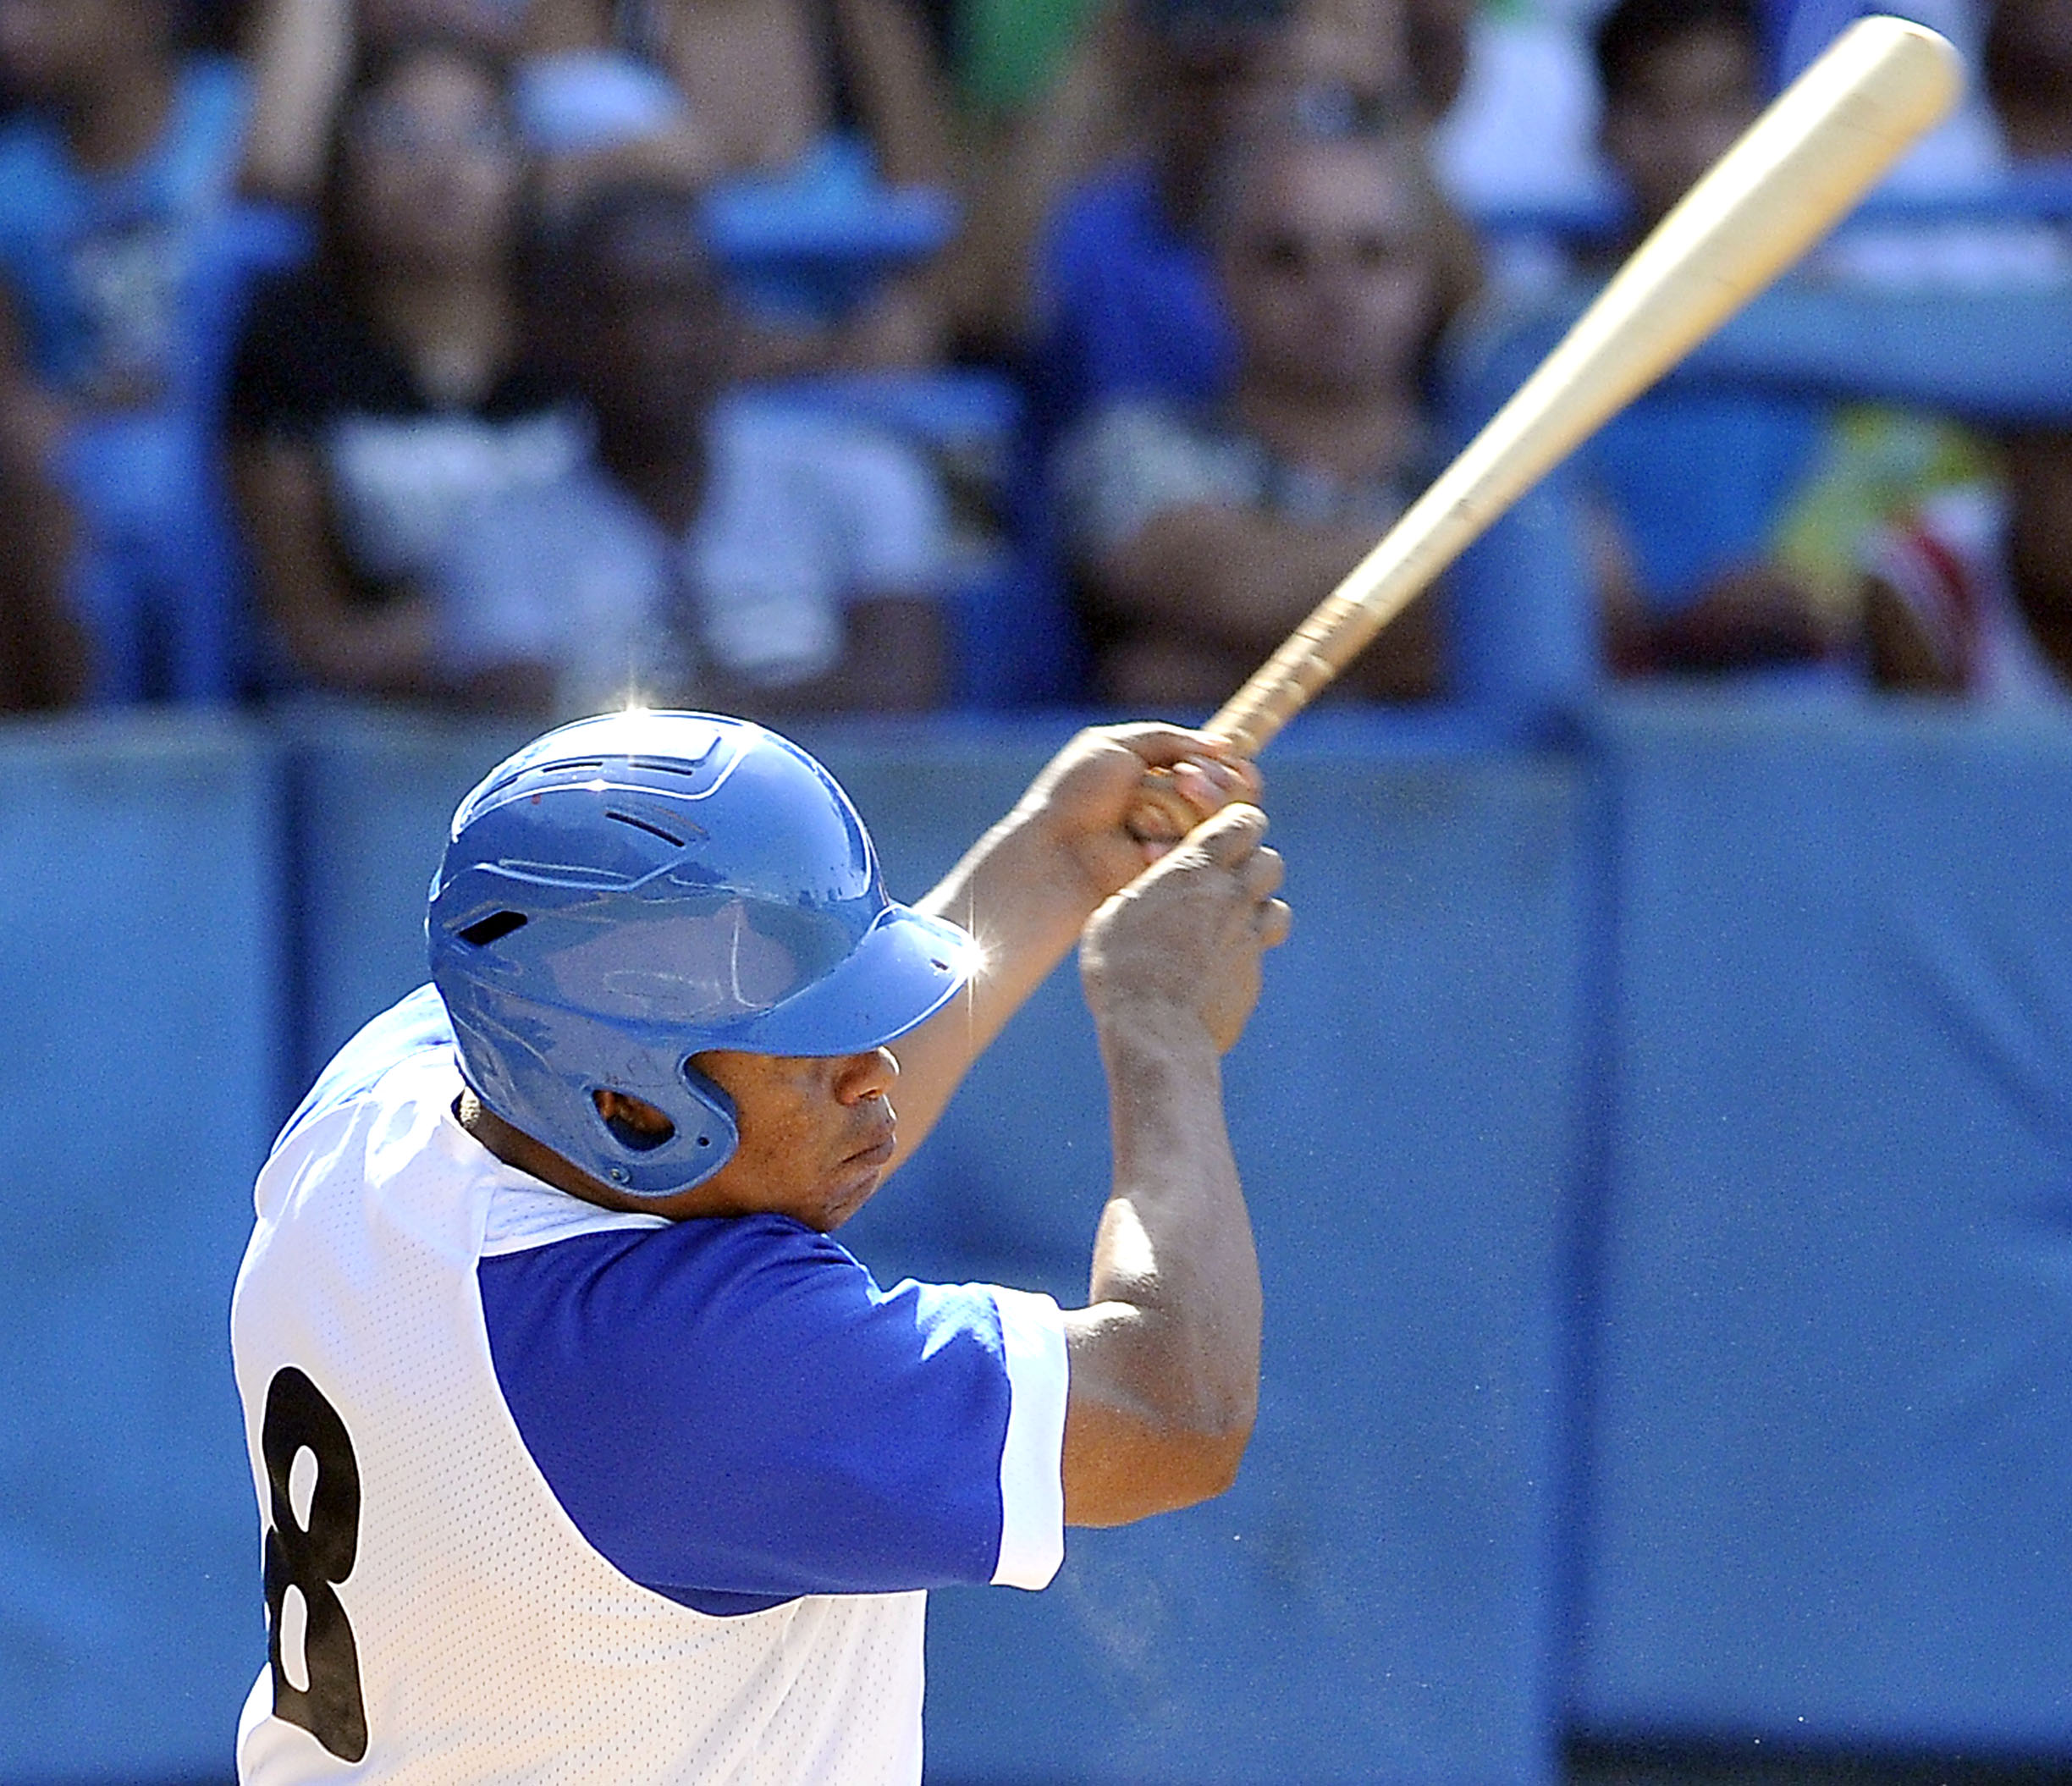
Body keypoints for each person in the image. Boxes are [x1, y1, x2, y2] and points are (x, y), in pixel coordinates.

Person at [229, 707, 1284, 1782]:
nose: (876, 1070)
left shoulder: (383, 1101)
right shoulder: (677, 1366)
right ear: (627, 1108)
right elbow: (1177, 1406)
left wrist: (1050, 863)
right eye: (812, 1041)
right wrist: (1160, 1025)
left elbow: (769, 1135)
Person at [435, 182, 954, 718]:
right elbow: (520, 725)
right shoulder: (495, 526)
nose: (655, 342)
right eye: (620, 309)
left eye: (683, 305)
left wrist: (670, 724)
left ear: (728, 319)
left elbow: (900, 685)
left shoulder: (859, 476)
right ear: (560, 333)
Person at [229, 38, 585, 701]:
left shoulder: (584, 325)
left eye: (478, 134)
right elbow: (308, 632)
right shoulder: (288, 346)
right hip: (378, 724)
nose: (440, 167)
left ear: (526, 163)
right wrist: (495, 647)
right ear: (341, 163)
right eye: (398, 133)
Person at [1055, 128, 1447, 705]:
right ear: (1217, 277)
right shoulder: (1132, 444)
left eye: (1373, 254)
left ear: (1427, 275)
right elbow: (1239, 590)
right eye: (1285, 259)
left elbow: (1597, 586)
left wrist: (1222, 668)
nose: (1334, 291)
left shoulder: (1483, 451)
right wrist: (1438, 638)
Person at [0, 0, 277, 705]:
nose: (14, 28)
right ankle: (106, 748)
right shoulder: (15, 178)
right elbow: (17, 376)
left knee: (183, 489)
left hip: (234, 419)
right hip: (89, 448)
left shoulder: (235, 117)